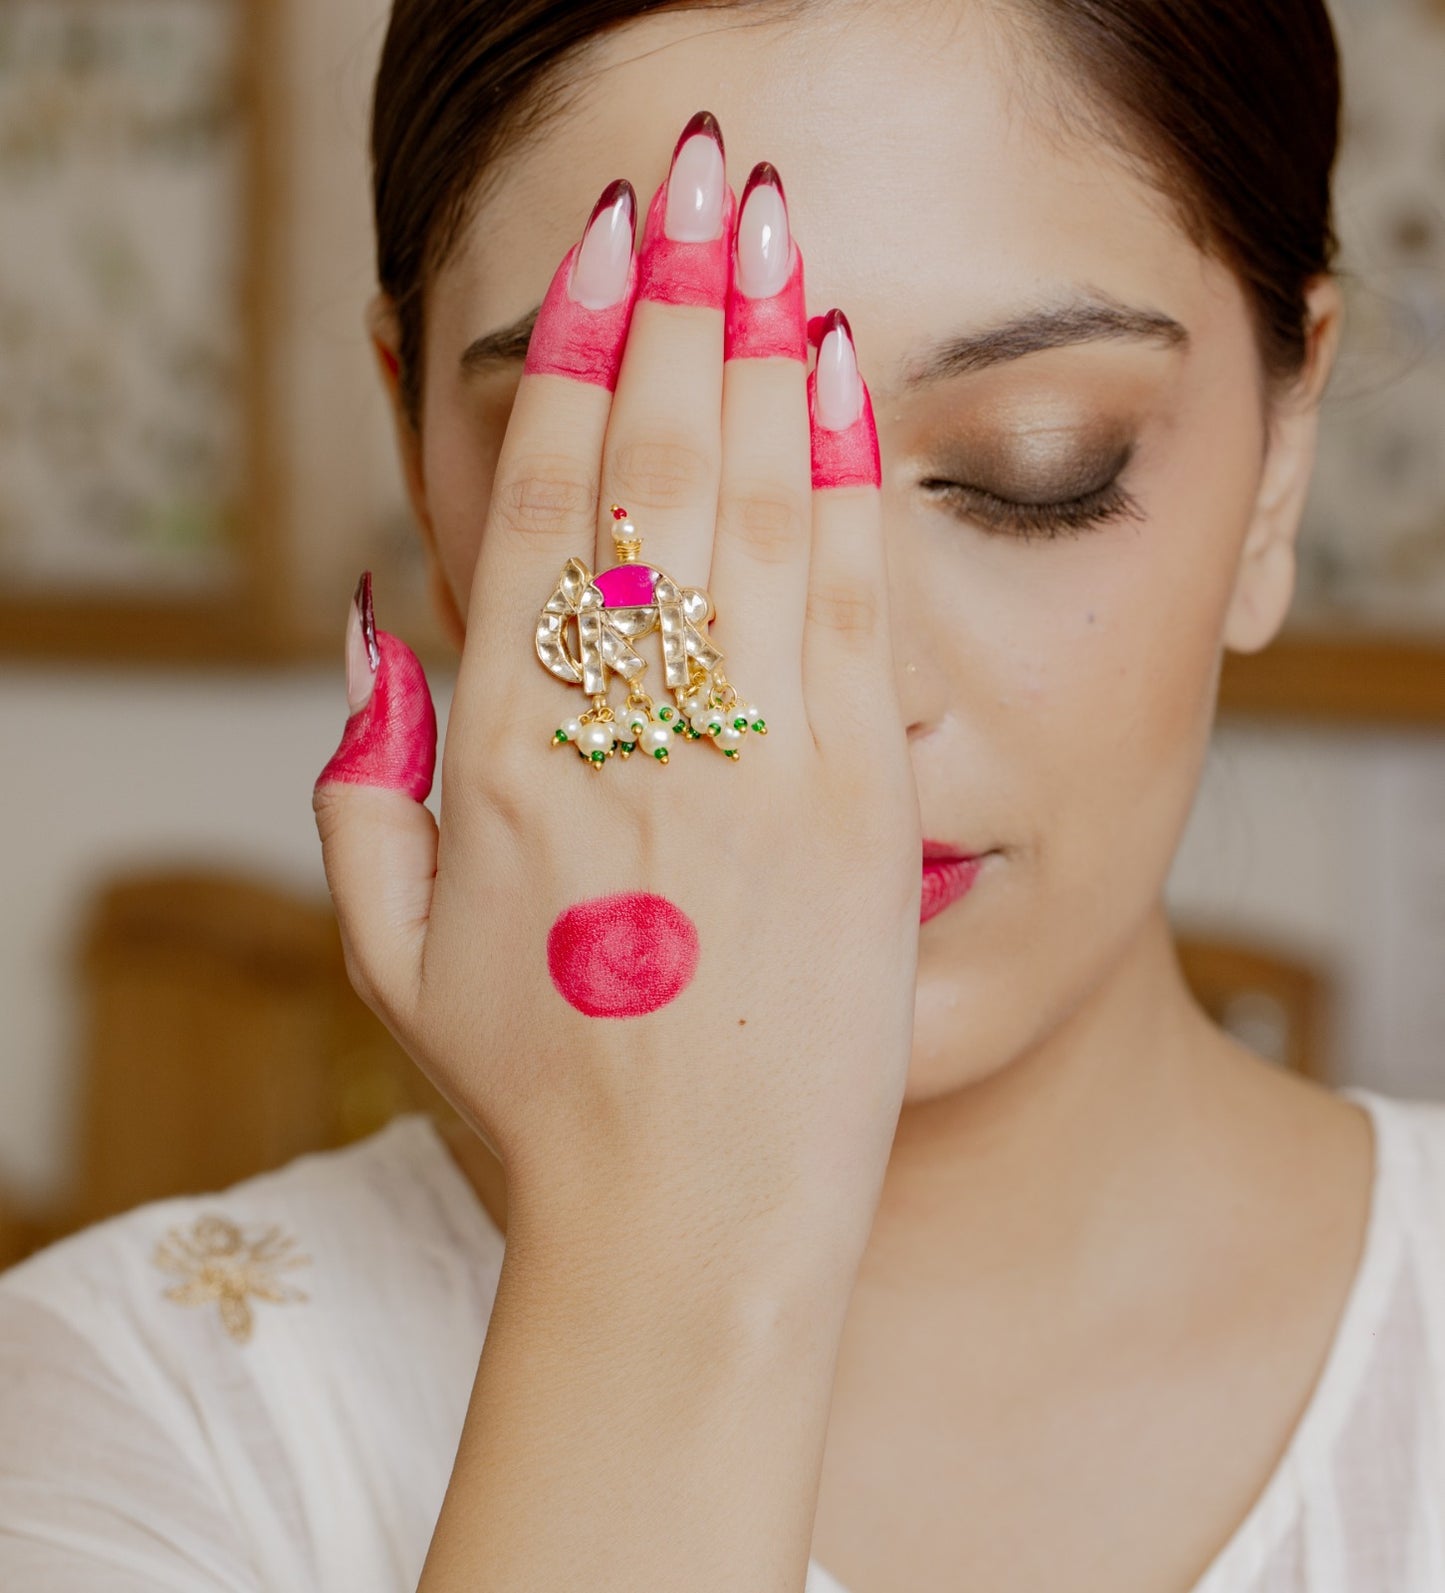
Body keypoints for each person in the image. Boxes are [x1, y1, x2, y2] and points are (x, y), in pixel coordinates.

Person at [3, 0, 1445, 1588]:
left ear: (1278, 464)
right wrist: (665, 1271)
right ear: (427, 468)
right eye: (646, 471)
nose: (824, 699)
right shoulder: (141, 1416)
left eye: (1036, 468)